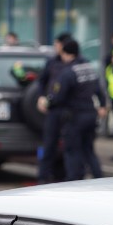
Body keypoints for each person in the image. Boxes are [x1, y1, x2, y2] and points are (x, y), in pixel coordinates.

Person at [39, 39, 107, 181]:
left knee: (72, 151)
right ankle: (100, 179)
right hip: (90, 114)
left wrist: (47, 104)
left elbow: (58, 96)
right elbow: (99, 90)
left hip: (75, 117)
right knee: (88, 150)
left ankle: (73, 181)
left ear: (65, 53)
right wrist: (102, 105)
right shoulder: (88, 68)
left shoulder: (68, 72)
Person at [33, 32, 73, 184]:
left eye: (56, 44)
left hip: (70, 111)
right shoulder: (52, 62)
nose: (55, 47)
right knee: (49, 144)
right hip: (53, 110)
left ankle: (64, 177)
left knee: (69, 146)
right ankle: (43, 177)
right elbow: (42, 82)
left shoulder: (75, 62)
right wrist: (41, 97)